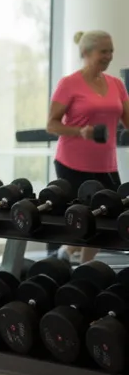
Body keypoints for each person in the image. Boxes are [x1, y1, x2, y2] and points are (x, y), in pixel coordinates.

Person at [47, 30, 128, 264]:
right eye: (103, 51)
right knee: (85, 217)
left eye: (111, 51)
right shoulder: (69, 84)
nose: (109, 56)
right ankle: (71, 257)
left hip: (106, 164)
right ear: (86, 52)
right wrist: (80, 131)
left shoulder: (116, 84)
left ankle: (82, 265)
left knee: (107, 217)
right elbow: (52, 125)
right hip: (73, 163)